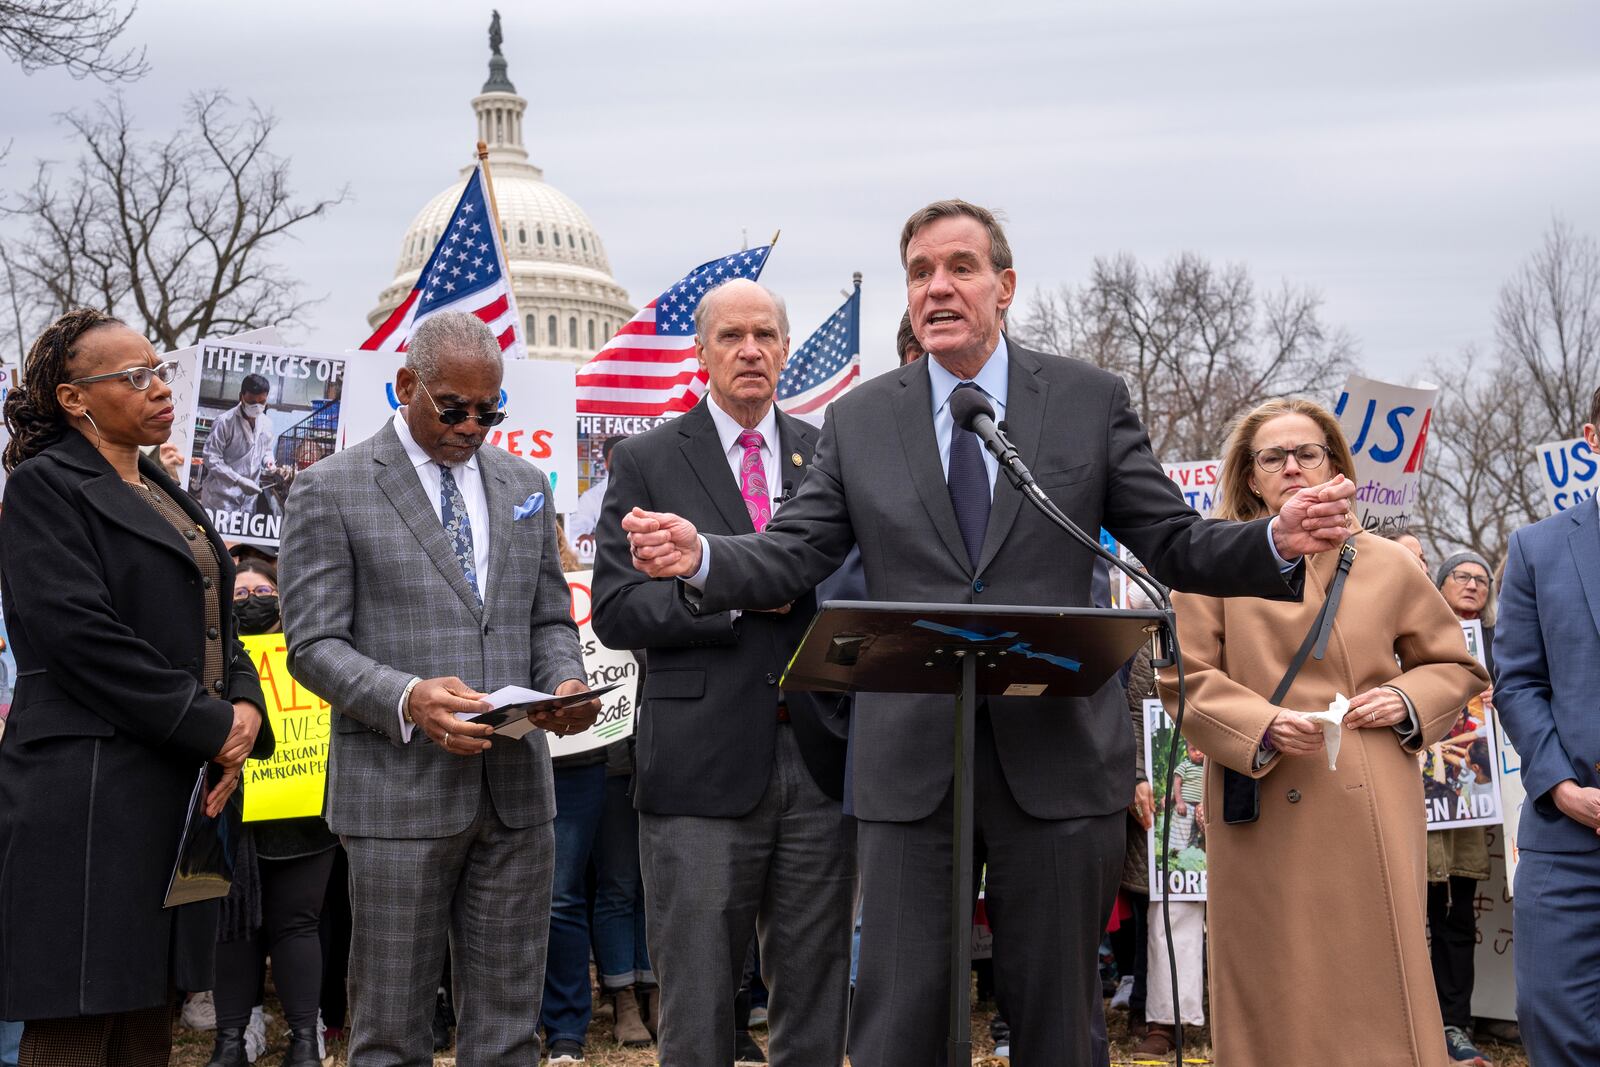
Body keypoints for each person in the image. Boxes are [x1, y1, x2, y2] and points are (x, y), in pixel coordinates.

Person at [621, 200, 1359, 1065]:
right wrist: (704, 554)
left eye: (959, 267)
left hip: (1055, 760)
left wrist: (1273, 538)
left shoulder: (1086, 400)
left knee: (1056, 1026)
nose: (938, 287)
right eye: (921, 271)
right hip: (910, 772)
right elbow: (793, 554)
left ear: (1004, 287)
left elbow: (1173, 540)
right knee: (899, 1027)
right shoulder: (864, 420)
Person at [279, 311, 598, 1066]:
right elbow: (313, 645)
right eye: (453, 407)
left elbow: (549, 613)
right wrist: (407, 697)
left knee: (510, 1033)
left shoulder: (523, 483)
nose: (472, 425)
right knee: (390, 1032)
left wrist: (563, 677)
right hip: (397, 793)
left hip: (517, 792)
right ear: (406, 386)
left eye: (491, 411)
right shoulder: (332, 489)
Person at [1159, 396, 1488, 1066]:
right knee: (1278, 980)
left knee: (1373, 979)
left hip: (1367, 794)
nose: (1292, 467)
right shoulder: (1210, 562)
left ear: (1334, 464)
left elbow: (1455, 666)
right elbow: (1183, 680)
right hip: (1263, 795)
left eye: (1307, 453)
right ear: (1250, 476)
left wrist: (1402, 696)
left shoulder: (1388, 562)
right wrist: (1263, 723)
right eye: (1273, 457)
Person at [0, 308, 271, 1066]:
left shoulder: (156, 482)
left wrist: (246, 707)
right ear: (74, 398)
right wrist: (208, 723)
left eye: (158, 370)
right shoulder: (43, 487)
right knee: (78, 1020)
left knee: (147, 1015)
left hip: (167, 784)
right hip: (86, 790)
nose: (161, 388)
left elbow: (215, 613)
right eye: (136, 376)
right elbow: (82, 638)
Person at [593, 278, 853, 1067]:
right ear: (701, 352)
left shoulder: (830, 454)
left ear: (784, 349)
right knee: (699, 1005)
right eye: (732, 336)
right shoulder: (645, 459)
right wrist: (733, 598)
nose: (750, 350)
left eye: (766, 335)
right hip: (698, 771)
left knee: (815, 996)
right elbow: (617, 607)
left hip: (819, 758)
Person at [1493, 392, 1600, 1067]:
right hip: (1571, 835)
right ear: (1592, 436)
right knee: (1555, 1020)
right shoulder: (1538, 547)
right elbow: (1518, 681)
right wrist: (1560, 785)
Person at [205, 559, 338, 1067]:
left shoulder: (312, 656)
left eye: (263, 590)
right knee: (233, 925)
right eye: (239, 595)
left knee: (296, 924)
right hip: (232, 812)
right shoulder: (210, 656)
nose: (252, 600)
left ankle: (306, 1040)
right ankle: (230, 1042)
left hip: (303, 817)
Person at [540, 521, 655, 1061]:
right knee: (561, 895)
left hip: (596, 759)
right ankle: (563, 1020)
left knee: (603, 887)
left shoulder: (593, 592)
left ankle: (578, 1021)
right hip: (543, 755)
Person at [1426, 551, 1498, 1066]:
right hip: (1416, 793)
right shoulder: (1416, 630)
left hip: (1471, 800)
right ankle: (1412, 1017)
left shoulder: (1498, 644)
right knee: (1413, 907)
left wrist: (1503, 696)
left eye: (1482, 580)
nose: (1473, 585)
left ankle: (1456, 1022)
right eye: (1463, 576)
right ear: (1439, 584)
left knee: (1456, 908)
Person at [201, 373, 277, 516]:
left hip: (248, 501)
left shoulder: (267, 424)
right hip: (221, 499)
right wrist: (238, 480)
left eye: (262, 402)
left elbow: (267, 450)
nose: (257, 406)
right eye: (252, 401)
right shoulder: (225, 422)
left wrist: (269, 461)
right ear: (241, 396)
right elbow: (211, 458)